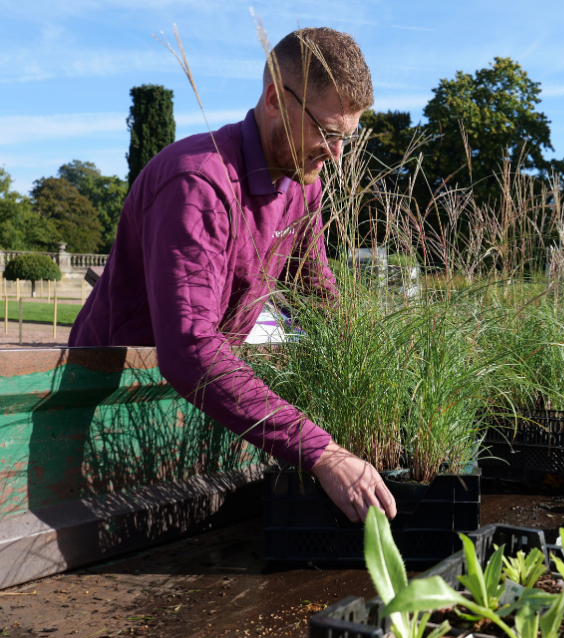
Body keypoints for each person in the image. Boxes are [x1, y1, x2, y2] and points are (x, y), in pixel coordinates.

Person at [68, 28, 397, 524]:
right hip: (112, 405)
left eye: (344, 138)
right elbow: (189, 348)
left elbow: (320, 300)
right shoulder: (197, 182)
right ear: (273, 99)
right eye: (328, 134)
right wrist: (323, 452)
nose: (336, 155)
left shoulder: (302, 185)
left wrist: (383, 392)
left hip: (199, 406)